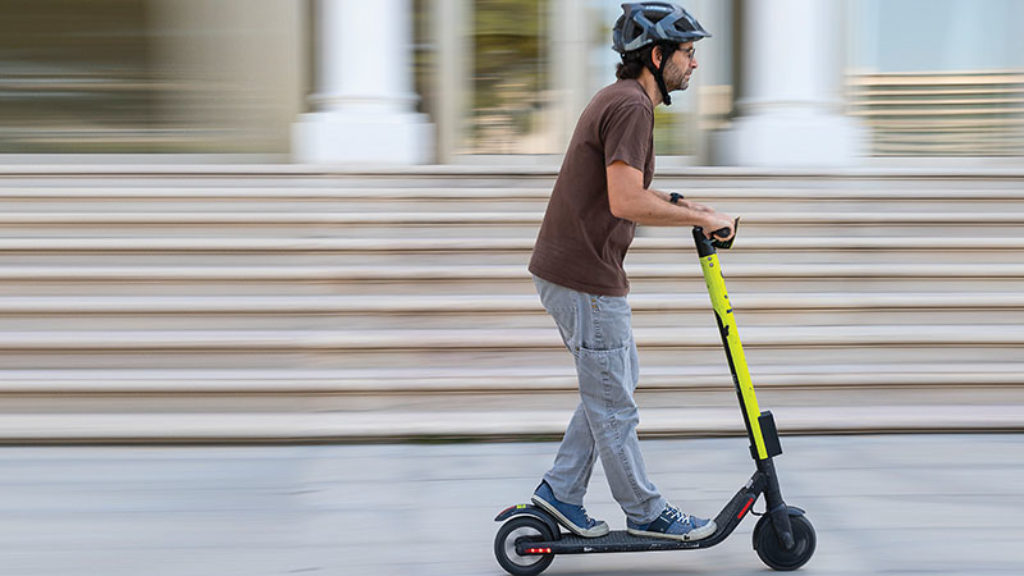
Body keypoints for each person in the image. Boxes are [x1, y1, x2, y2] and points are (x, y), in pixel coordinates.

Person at [526, 2, 735, 542]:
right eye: (688, 53)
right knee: (614, 402)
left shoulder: (623, 101)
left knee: (610, 388)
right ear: (657, 55)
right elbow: (625, 201)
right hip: (584, 276)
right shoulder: (631, 108)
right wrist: (695, 217)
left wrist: (697, 209)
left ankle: (561, 493)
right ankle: (646, 512)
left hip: (579, 270)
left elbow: (633, 189)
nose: (694, 64)